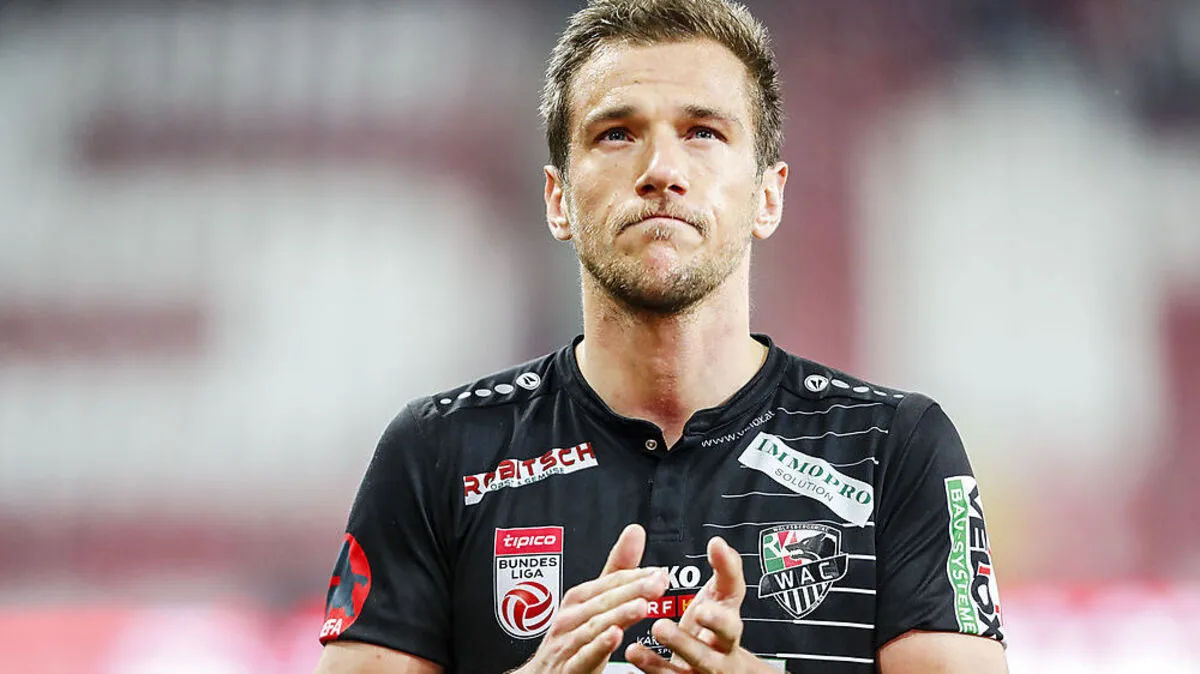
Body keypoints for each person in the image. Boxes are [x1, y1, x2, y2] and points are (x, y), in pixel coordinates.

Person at [313, 0, 1008, 672]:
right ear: (557, 200)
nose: (662, 172)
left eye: (703, 132)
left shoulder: (894, 448)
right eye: (617, 133)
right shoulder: (438, 451)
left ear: (768, 196)